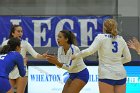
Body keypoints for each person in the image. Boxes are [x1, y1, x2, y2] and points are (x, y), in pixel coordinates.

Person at [71, 19, 131, 93]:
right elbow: (128, 58)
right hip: (121, 74)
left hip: (106, 74)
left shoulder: (101, 37)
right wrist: (116, 62)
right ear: (115, 27)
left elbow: (89, 51)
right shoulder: (121, 39)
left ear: (104, 27)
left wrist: (76, 55)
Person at [2, 25, 46, 93]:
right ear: (12, 33)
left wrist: (42, 56)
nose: (20, 33)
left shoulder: (25, 43)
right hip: (9, 71)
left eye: (21, 31)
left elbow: (35, 55)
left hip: (21, 70)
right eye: (18, 31)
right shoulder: (5, 43)